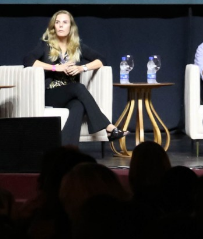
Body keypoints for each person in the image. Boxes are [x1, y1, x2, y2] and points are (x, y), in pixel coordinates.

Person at [24, 10, 127, 145]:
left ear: (70, 27)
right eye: (57, 22)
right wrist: (56, 68)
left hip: (71, 94)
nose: (60, 25)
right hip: (51, 93)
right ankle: (108, 127)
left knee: (78, 106)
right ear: (53, 26)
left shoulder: (77, 47)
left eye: (64, 22)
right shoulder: (46, 45)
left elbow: (101, 60)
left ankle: (65, 149)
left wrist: (81, 68)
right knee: (78, 87)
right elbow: (28, 60)